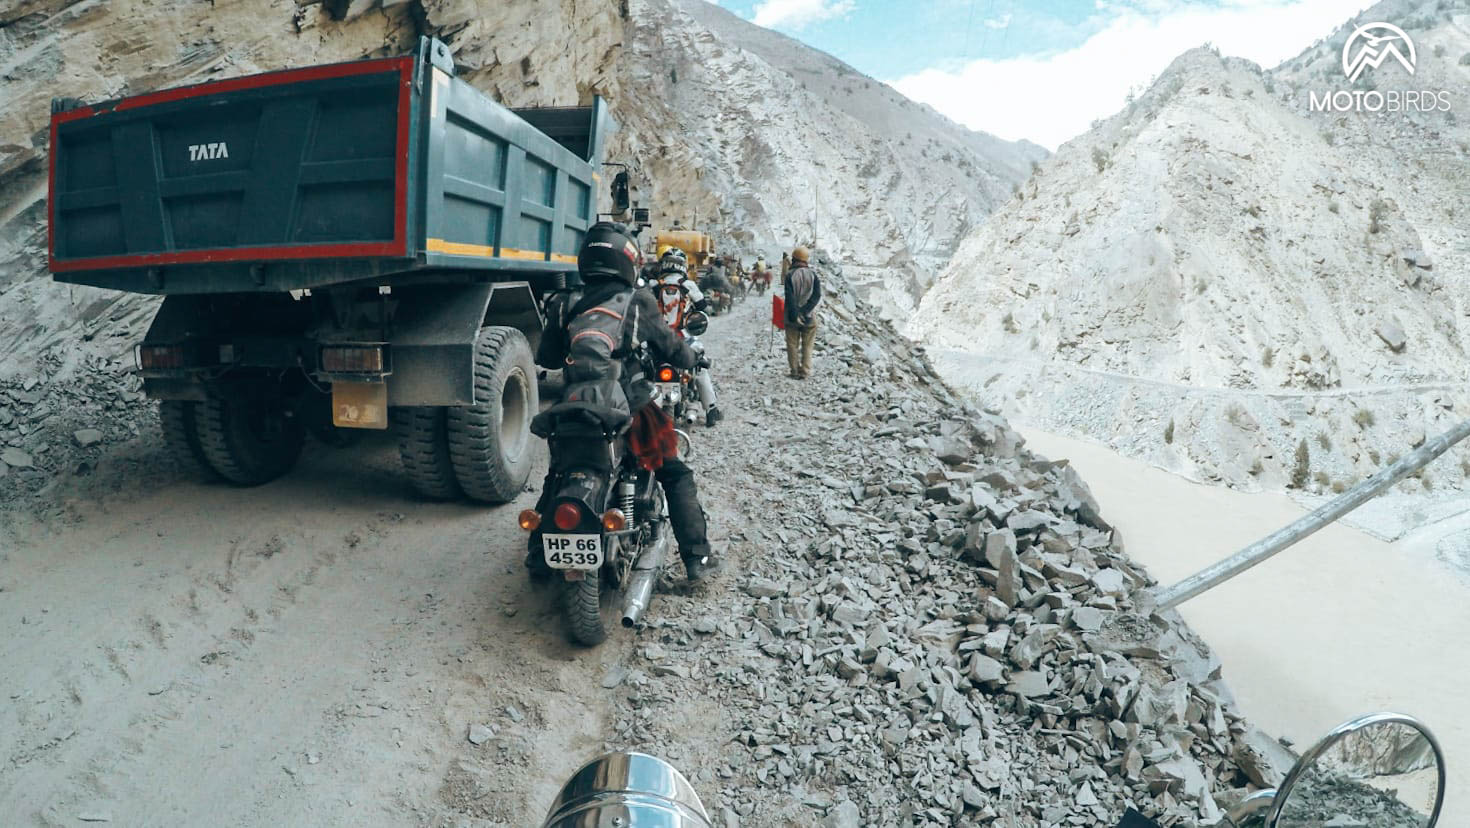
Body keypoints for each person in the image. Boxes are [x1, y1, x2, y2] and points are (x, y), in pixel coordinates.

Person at [529, 223, 722, 582]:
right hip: (631, 408)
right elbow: (672, 348)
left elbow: (550, 359)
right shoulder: (638, 301)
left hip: (572, 407)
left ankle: (538, 556)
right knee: (674, 473)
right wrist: (692, 359)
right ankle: (697, 558)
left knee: (559, 473)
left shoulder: (562, 302)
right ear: (628, 261)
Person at [652, 251, 723, 425]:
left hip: (655, 339)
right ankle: (711, 410)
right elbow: (703, 307)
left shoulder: (654, 285)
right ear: (682, 266)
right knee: (700, 367)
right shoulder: (688, 284)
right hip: (682, 338)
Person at [783, 245, 821, 379]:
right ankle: (805, 371)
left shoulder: (790, 275)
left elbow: (790, 297)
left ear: (794, 259)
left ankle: (794, 371)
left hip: (792, 317)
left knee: (792, 345)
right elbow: (816, 296)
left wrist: (795, 314)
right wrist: (805, 312)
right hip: (809, 317)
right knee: (808, 345)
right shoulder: (813, 275)